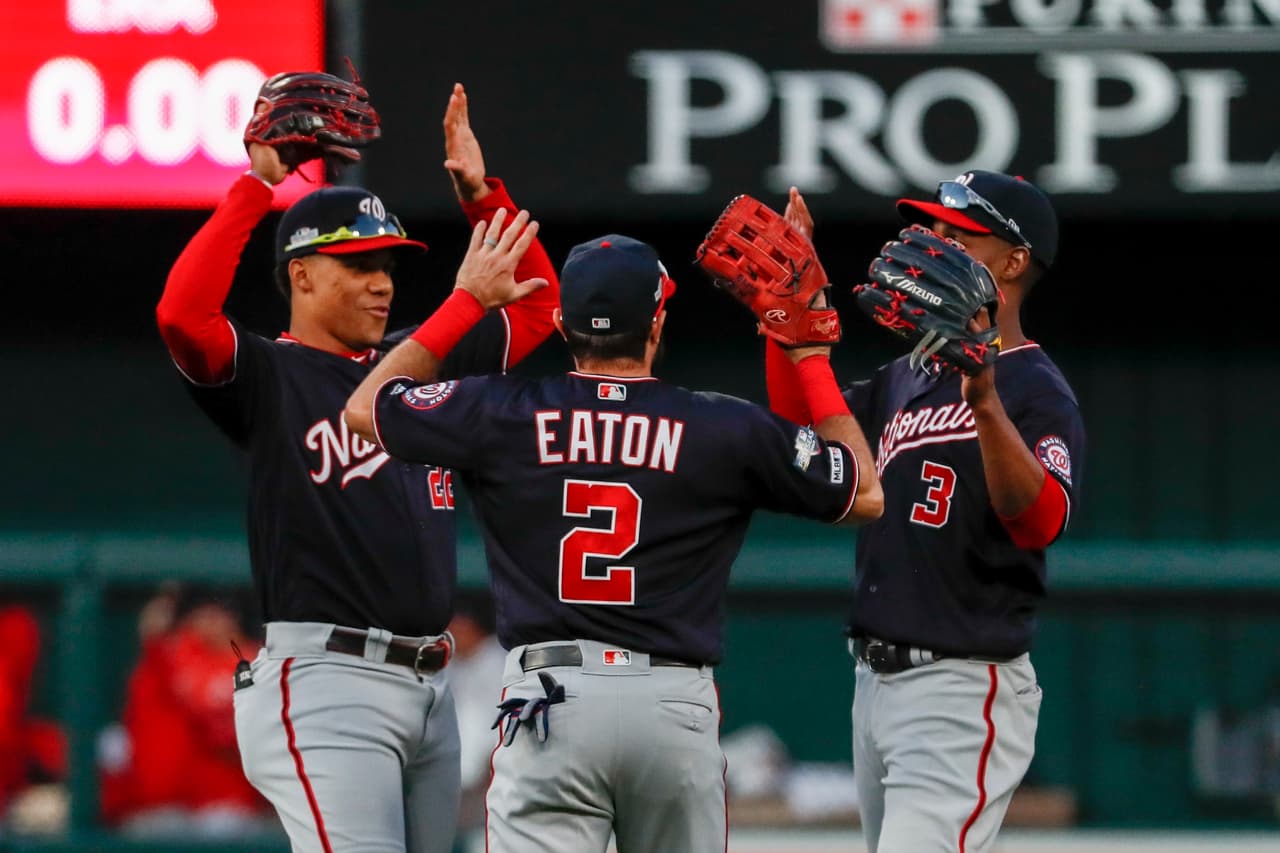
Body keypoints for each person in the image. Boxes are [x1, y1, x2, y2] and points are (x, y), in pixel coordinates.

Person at [343, 226, 884, 853]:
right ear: (656, 323)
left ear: (567, 328)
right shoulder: (721, 423)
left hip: (550, 699)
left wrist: (467, 300)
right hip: (670, 701)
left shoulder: (502, 409)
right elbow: (864, 492)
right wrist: (806, 350)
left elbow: (364, 408)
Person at [153, 82, 559, 853]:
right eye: (356, 263)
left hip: (430, 687)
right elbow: (181, 316)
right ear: (301, 275)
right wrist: (257, 186)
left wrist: (483, 195)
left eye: (387, 264)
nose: (381, 281)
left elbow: (540, 306)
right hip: (327, 681)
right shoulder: (270, 377)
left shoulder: (419, 361)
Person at [769, 172, 1086, 853]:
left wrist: (985, 400)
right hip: (874, 683)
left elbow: (1041, 521)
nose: (932, 242)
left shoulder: (1035, 386)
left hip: (962, 686)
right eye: (931, 228)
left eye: (955, 232)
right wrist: (785, 318)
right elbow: (805, 432)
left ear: (1014, 259)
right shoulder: (905, 374)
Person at [99, 585, 274, 839]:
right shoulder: (163, 662)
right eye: (201, 612)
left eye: (221, 612)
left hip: (230, 810)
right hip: (166, 812)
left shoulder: (251, 661)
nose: (211, 620)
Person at [441, 593, 506, 834]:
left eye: (459, 625)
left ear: (474, 627)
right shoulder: (449, 664)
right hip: (455, 778)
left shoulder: (499, 658)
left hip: (493, 774)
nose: (452, 632)